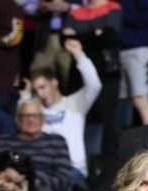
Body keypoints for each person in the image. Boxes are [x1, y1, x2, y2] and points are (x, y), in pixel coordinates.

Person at [21, 38, 102, 181]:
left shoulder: (75, 103)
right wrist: (24, 96)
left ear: (54, 82)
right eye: (36, 90)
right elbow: (22, 122)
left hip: (72, 168)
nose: (40, 94)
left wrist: (79, 56)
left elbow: (94, 85)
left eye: (42, 87)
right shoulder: (36, 109)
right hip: (42, 168)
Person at [0, 99, 74, 191]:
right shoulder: (2, 141)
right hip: (6, 188)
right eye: (26, 116)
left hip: (42, 189)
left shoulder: (56, 141)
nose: (31, 120)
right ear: (17, 120)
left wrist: (36, 182)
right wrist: (6, 181)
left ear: (43, 119)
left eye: (36, 116)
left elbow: (66, 178)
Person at [63, 0, 122, 160]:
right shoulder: (75, 12)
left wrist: (79, 38)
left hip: (106, 73)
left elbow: (109, 37)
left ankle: (108, 165)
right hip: (78, 75)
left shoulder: (112, 7)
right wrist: (96, 34)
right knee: (78, 119)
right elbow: (66, 40)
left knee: (106, 121)